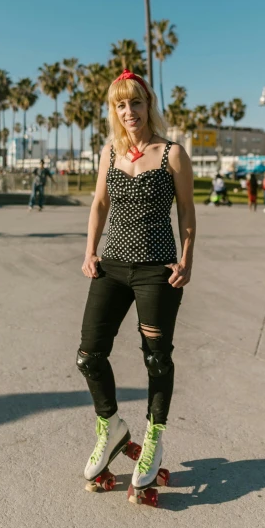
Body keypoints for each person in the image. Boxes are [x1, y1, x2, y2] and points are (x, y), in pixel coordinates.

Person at [77, 69, 196, 497]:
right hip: (112, 266)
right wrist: (90, 251)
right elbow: (98, 204)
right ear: (115, 110)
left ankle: (153, 439)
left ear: (149, 105)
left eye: (137, 102)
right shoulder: (109, 152)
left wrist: (187, 258)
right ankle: (110, 428)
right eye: (121, 105)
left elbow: (186, 210)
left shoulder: (172, 154)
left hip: (156, 271)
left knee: (156, 358)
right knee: (88, 355)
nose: (130, 111)